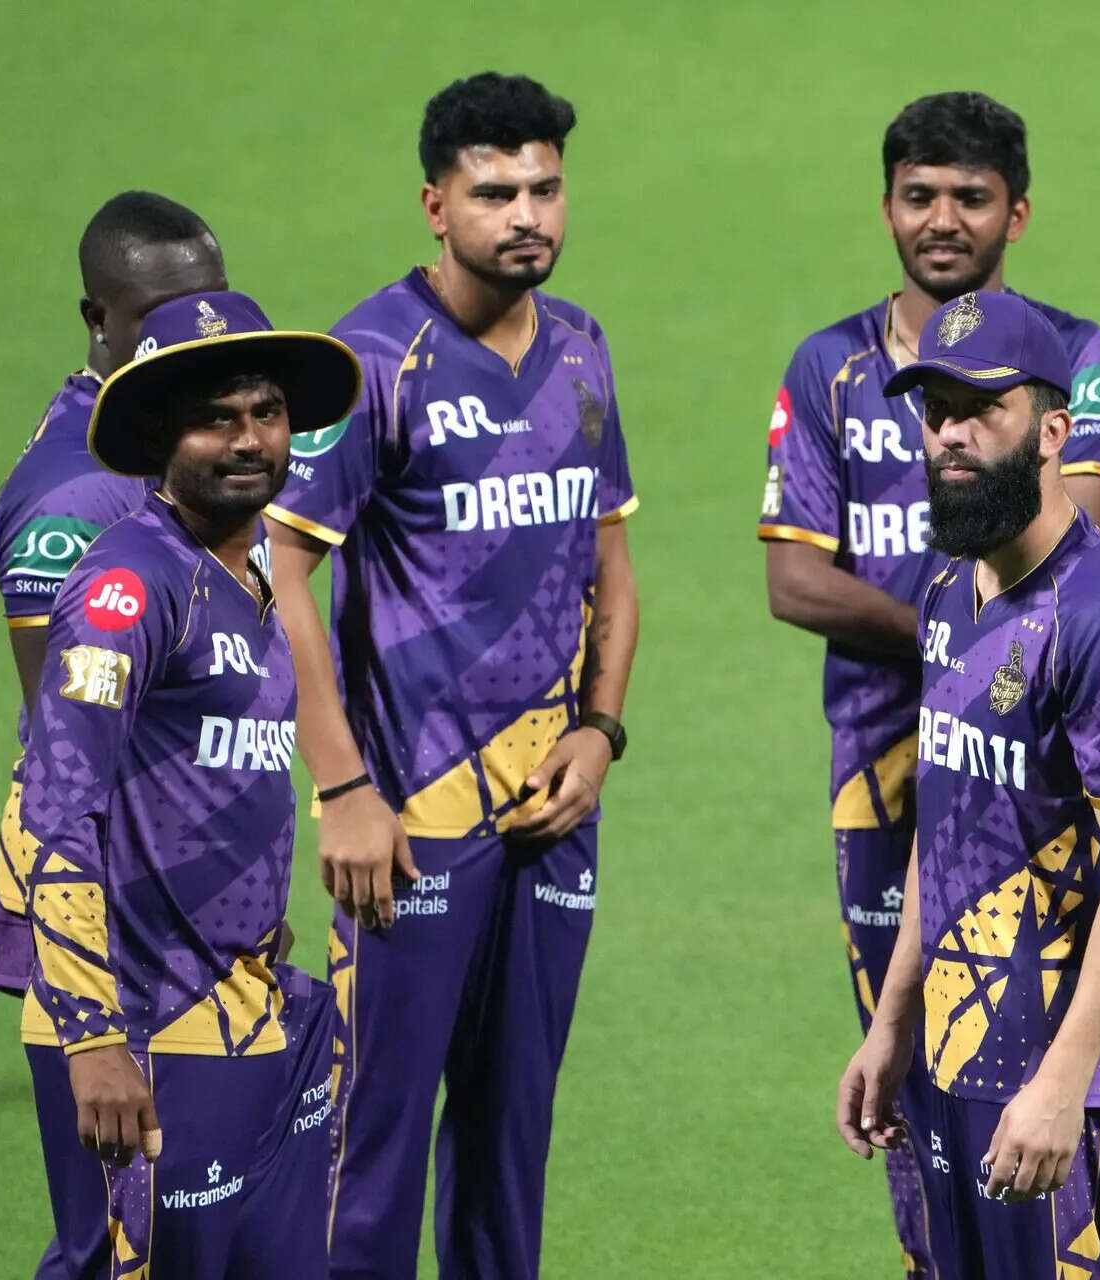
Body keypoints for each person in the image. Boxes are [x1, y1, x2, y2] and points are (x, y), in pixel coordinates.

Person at [262, 72, 640, 1279]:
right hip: (413, 819)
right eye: (494, 193)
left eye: (545, 187)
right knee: (371, 1145)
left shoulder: (581, 350)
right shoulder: (370, 359)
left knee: (508, 1138)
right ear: (436, 205)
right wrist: (343, 789)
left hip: (554, 812)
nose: (526, 214)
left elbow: (612, 567)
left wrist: (600, 731)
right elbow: (282, 571)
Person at [763, 90, 1100, 1275]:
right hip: (887, 774)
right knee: (909, 1062)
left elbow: (1067, 546)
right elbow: (792, 581)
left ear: (1015, 212)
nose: (941, 218)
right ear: (886, 207)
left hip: (1033, 765)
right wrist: (946, 637)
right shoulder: (829, 366)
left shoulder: (1075, 356)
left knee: (1039, 1047)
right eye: (918, 195)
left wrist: (961, 644)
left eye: (970, 196)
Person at [835, 290, 1100, 1279]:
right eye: (937, 410)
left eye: (983, 408)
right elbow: (944, 827)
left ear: (1053, 431)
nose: (951, 433)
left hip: (1063, 1088)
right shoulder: (951, 587)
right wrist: (893, 1021)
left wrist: (1062, 1082)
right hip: (955, 1052)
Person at [20, 288, 356, 1276]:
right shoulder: (130, 585)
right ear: (162, 437)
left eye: (267, 412)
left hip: (248, 998)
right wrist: (93, 1037)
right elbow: (55, 811)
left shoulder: (258, 577)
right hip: (145, 1018)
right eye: (216, 418)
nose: (249, 438)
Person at [0, 191, 227, 1000]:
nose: (195, 338)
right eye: (161, 315)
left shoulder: (185, 442)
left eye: (209, 308)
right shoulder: (75, 495)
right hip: (121, 899)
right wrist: (194, 909)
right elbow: (69, 749)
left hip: (192, 860)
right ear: (99, 319)